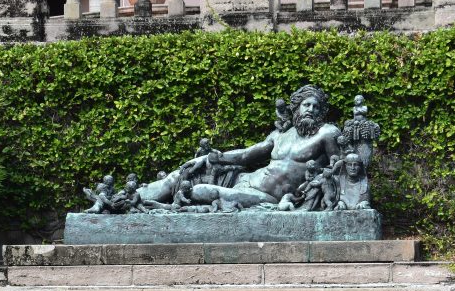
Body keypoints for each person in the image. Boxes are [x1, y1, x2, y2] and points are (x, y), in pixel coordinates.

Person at [137, 85, 341, 210]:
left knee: (200, 191)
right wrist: (209, 158)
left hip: (268, 196)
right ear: (296, 108)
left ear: (321, 112)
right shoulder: (280, 135)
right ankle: (132, 200)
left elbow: (338, 168)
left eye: (316, 107)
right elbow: (246, 155)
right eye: (307, 105)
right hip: (244, 180)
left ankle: (160, 204)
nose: (311, 110)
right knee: (180, 174)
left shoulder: (327, 133)